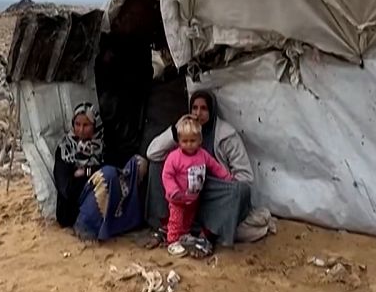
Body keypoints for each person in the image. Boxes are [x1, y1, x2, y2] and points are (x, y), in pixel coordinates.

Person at [145, 90, 274, 246]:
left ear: (212, 110)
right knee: (156, 165)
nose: (198, 113)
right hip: (183, 195)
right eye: (194, 108)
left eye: (204, 109)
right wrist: (176, 129)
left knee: (241, 190)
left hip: (211, 194)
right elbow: (152, 153)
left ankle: (207, 234)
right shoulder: (184, 132)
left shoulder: (226, 136)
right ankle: (166, 225)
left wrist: (223, 186)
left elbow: (245, 177)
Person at [162, 116, 232, 256]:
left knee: (187, 220)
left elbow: (215, 166)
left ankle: (184, 236)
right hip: (177, 199)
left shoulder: (203, 155)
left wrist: (227, 177)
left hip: (193, 198)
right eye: (185, 141)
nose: (189, 144)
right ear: (179, 141)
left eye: (192, 141)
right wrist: (173, 190)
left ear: (199, 140)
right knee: (176, 220)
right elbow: (167, 175)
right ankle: (173, 241)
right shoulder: (174, 157)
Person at [73, 155, 148, 242]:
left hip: (84, 213)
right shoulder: (122, 184)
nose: (141, 179)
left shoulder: (116, 175)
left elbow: (87, 188)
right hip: (91, 217)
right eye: (141, 175)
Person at [53, 103, 103, 228]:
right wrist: (92, 174)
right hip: (70, 213)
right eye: (77, 124)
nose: (81, 130)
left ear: (95, 125)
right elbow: (66, 187)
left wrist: (86, 172)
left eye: (86, 125)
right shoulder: (64, 149)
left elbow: (106, 170)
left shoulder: (102, 147)